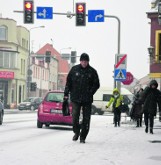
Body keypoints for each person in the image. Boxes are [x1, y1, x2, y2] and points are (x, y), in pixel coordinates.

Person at [64, 53, 100, 143]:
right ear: (80, 61)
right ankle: (76, 132)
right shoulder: (74, 70)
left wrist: (90, 92)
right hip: (75, 98)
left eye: (86, 61)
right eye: (83, 61)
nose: (84, 63)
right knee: (75, 116)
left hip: (87, 99)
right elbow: (68, 83)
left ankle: (83, 136)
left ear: (88, 62)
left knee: (86, 119)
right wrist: (66, 94)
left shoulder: (92, 72)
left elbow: (97, 84)